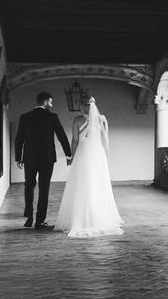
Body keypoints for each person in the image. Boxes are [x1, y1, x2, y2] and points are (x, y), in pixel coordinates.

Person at [55, 96, 123, 237]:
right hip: (98, 154)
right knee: (98, 184)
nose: (80, 107)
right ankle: (100, 217)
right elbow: (105, 139)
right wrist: (105, 156)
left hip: (83, 153)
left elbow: (74, 140)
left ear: (82, 106)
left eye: (80, 105)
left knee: (81, 183)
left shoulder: (77, 120)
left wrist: (71, 157)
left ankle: (80, 218)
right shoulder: (102, 118)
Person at [15, 91, 72, 229]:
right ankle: (39, 221)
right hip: (47, 158)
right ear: (45, 102)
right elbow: (62, 136)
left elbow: (19, 138)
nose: (52, 105)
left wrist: (18, 158)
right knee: (44, 188)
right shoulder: (52, 117)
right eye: (51, 102)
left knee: (29, 186)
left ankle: (29, 217)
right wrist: (68, 154)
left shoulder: (25, 117)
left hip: (29, 158)